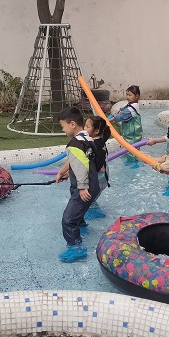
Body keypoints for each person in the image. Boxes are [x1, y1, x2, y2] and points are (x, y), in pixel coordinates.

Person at [54, 107, 105, 263]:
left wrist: (82, 187)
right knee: (77, 209)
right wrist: (63, 172)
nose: (63, 130)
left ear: (72, 124)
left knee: (68, 219)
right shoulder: (88, 138)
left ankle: (76, 248)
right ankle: (81, 225)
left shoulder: (74, 144)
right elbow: (84, 161)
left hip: (85, 186)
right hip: (93, 182)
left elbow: (81, 165)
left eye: (63, 126)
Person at [109, 85, 142, 166]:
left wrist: (112, 119)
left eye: (130, 95)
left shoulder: (133, 108)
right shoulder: (132, 104)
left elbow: (123, 116)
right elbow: (125, 108)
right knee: (127, 146)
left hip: (133, 134)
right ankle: (130, 159)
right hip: (129, 133)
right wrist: (120, 110)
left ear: (137, 96)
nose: (127, 97)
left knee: (132, 148)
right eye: (126, 94)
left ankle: (134, 163)